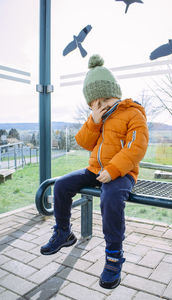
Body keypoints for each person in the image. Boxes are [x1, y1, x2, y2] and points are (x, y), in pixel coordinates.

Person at [40, 54, 149, 289]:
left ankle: (113, 256)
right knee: (61, 184)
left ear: (116, 94)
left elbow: (136, 148)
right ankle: (63, 233)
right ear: (91, 104)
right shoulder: (97, 118)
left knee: (110, 197)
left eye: (107, 99)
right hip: (95, 170)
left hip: (122, 173)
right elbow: (84, 142)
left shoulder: (133, 114)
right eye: (96, 103)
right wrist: (94, 121)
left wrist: (113, 170)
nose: (103, 105)